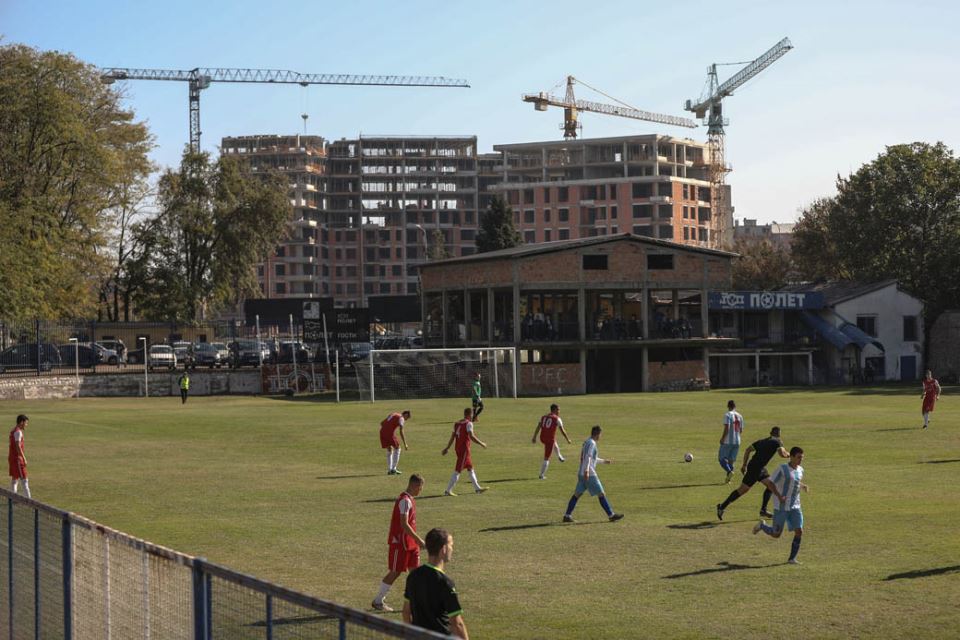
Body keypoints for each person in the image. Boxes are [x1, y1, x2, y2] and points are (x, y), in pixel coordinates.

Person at [372, 474, 426, 612]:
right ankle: (378, 601)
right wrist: (419, 539)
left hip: (410, 543)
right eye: (420, 487)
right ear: (414, 485)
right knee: (395, 572)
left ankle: (415, 603)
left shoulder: (410, 499)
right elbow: (404, 524)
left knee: (415, 573)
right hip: (400, 543)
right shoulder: (404, 500)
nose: (421, 490)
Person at [403, 528, 469, 638]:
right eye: (451, 545)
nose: (452, 549)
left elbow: (406, 612)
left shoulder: (413, 576)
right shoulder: (445, 583)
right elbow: (457, 623)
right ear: (443, 549)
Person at [716, 426, 788, 520]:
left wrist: (744, 465)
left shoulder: (762, 441)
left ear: (770, 433)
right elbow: (782, 454)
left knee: (771, 485)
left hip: (757, 467)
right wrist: (790, 455)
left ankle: (763, 510)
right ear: (779, 434)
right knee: (742, 490)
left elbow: (748, 450)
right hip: (755, 469)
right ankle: (722, 507)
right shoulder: (778, 442)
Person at [753, 447, 809, 565]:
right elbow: (770, 483)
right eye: (799, 457)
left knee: (799, 531)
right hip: (781, 507)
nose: (800, 460)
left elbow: (796, 482)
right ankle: (762, 526)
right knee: (776, 534)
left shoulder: (800, 470)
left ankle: (792, 558)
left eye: (802, 458)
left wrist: (802, 486)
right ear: (792, 456)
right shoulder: (782, 469)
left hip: (795, 506)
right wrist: (778, 496)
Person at [563, 425, 623, 523]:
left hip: (581, 473)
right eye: (600, 434)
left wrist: (604, 461)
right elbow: (588, 457)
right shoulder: (592, 443)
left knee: (577, 494)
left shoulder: (587, 441)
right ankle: (611, 515)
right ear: (598, 434)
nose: (600, 436)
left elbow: (591, 458)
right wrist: (587, 470)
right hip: (589, 473)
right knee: (601, 493)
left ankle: (567, 515)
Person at [442, 408, 487, 496]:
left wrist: (447, 448)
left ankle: (477, 488)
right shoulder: (469, 424)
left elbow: (452, 437)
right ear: (469, 414)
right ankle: (448, 490)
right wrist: (481, 443)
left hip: (458, 449)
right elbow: (471, 436)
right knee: (458, 470)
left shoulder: (457, 423)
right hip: (464, 450)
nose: (473, 416)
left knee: (470, 468)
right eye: (472, 414)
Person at [531, 403, 572, 479]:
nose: (559, 411)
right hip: (549, 440)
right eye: (558, 410)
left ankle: (560, 456)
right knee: (547, 458)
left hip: (542, 438)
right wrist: (567, 439)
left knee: (554, 441)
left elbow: (538, 427)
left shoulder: (543, 417)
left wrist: (534, 437)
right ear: (555, 410)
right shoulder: (557, 419)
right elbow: (562, 431)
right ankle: (541, 475)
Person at [718, 400, 744, 484]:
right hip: (737, 441)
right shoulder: (740, 416)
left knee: (721, 459)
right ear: (735, 407)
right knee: (731, 461)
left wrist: (723, 438)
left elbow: (727, 427)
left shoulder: (727, 415)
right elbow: (741, 430)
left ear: (728, 406)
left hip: (728, 441)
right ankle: (728, 480)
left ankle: (729, 472)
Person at [380, 410, 411, 475]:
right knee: (398, 448)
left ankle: (389, 470)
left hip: (382, 431)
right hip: (389, 433)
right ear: (405, 415)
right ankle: (394, 469)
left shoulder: (393, 414)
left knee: (389, 449)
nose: (406, 420)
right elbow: (401, 431)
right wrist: (405, 443)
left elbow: (382, 423)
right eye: (407, 418)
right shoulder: (401, 418)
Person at [9, 414, 30, 498]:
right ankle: (29, 500)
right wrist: (24, 458)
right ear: (21, 422)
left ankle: (13, 497)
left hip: (12, 458)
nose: (26, 425)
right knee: (24, 479)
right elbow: (18, 446)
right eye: (26, 423)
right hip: (17, 459)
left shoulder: (13, 430)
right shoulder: (18, 432)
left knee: (15, 478)